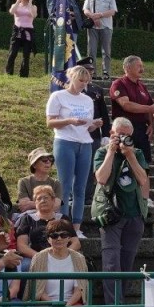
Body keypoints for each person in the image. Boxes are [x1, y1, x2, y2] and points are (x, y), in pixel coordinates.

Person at [94, 118, 150, 307]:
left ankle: (121, 304)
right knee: (111, 263)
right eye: (120, 134)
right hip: (111, 214)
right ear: (112, 133)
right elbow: (101, 178)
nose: (124, 138)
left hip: (134, 213)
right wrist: (111, 151)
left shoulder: (137, 153)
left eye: (128, 135)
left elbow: (143, 180)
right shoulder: (102, 152)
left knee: (126, 264)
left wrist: (130, 155)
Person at [47, 65, 101, 231]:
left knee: (81, 187)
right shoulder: (58, 96)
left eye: (86, 81)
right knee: (65, 185)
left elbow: (87, 127)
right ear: (71, 78)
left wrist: (94, 124)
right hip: (65, 141)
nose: (83, 84)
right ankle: (63, 225)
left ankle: (77, 227)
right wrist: (70, 120)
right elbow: (50, 122)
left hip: (85, 143)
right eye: (80, 80)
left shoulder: (87, 100)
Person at [32, 218, 90, 307]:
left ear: (69, 238)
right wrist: (55, 305)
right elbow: (38, 289)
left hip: (72, 302)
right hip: (46, 302)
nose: (59, 239)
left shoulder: (78, 258)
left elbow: (80, 289)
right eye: (54, 235)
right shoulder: (39, 258)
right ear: (48, 239)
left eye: (63, 235)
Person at [110, 55, 154, 166]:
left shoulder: (142, 86)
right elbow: (126, 105)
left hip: (141, 129)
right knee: (123, 163)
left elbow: (149, 105)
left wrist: (151, 124)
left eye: (142, 66)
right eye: (139, 66)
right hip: (124, 129)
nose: (142, 69)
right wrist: (149, 108)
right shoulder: (119, 84)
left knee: (144, 163)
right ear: (128, 68)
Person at [16, 184, 81, 272]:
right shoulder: (27, 219)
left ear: (53, 200)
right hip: (34, 256)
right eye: (39, 199)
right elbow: (21, 246)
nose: (43, 201)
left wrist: (62, 256)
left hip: (62, 255)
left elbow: (76, 243)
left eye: (46, 198)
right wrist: (40, 257)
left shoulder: (63, 218)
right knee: (26, 266)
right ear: (35, 202)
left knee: (78, 264)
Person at [83, 0, 118, 79]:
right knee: (91, 51)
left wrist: (100, 15)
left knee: (106, 51)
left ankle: (106, 73)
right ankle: (92, 73)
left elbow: (113, 11)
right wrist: (93, 17)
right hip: (93, 27)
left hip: (106, 27)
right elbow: (85, 10)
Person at [44, 0, 82, 74]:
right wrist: (67, 15)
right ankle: (54, 73)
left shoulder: (71, 0)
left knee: (71, 51)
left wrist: (72, 15)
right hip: (59, 29)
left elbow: (77, 14)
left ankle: (70, 73)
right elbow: (52, 13)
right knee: (57, 51)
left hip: (72, 29)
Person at [16, 148, 62, 214]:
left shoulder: (56, 183)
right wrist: (48, 204)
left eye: (50, 159)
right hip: (30, 217)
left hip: (51, 216)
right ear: (34, 165)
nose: (48, 162)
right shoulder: (24, 182)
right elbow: (24, 206)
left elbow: (56, 206)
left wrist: (32, 204)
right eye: (44, 160)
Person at [5, 0, 37, 77]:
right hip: (17, 30)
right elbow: (11, 12)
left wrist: (30, 3)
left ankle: (24, 75)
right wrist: (17, 2)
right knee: (12, 53)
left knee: (26, 55)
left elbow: (34, 15)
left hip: (28, 32)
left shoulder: (33, 6)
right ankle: (8, 73)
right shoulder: (16, 5)